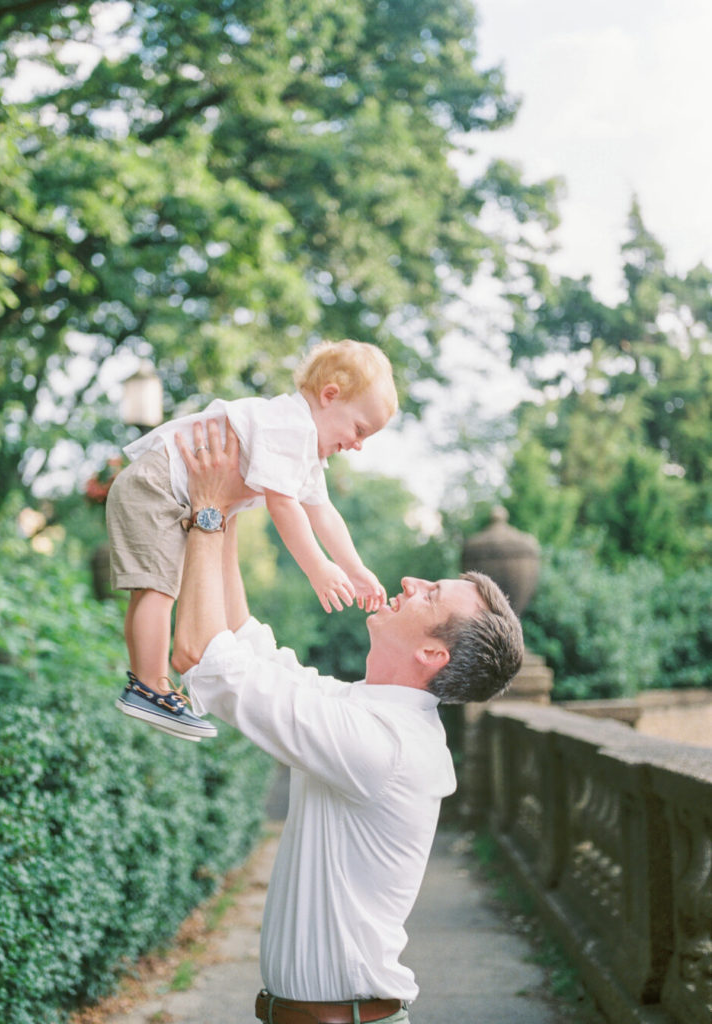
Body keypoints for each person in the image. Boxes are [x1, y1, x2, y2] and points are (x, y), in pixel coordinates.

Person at [170, 418, 525, 1024]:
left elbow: (199, 653)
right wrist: (229, 510)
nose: (410, 582)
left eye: (431, 594)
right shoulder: (366, 713)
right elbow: (240, 644)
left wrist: (205, 512)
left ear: (433, 655)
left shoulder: (381, 746)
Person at [106, 340, 398, 741]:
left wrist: (355, 569)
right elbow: (284, 506)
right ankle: (148, 685)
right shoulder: (289, 427)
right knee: (156, 589)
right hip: (155, 486)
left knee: (156, 589)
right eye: (359, 429)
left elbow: (323, 512)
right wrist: (319, 569)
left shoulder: (306, 450)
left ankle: (150, 684)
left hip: (168, 491)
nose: (358, 444)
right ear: (330, 396)